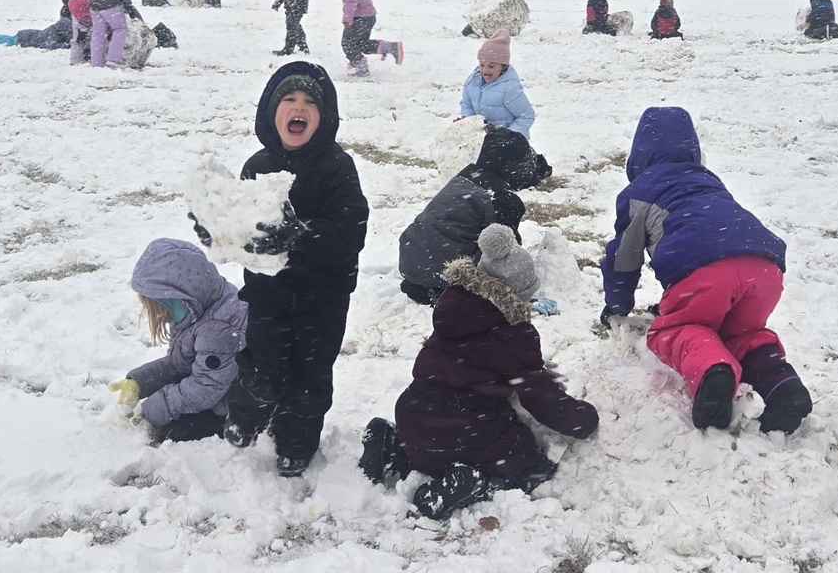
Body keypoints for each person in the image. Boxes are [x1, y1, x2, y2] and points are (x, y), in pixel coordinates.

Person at [360, 225, 599, 521]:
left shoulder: (454, 307)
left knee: (428, 449)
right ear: (517, 295)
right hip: (464, 430)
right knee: (534, 466)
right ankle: (473, 483)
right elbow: (541, 400)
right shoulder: (515, 334)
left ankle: (390, 444)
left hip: (413, 420)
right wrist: (584, 420)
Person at [600, 106, 813, 434]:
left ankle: (713, 371)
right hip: (764, 267)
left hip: (704, 271)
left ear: (639, 154)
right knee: (741, 333)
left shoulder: (639, 192)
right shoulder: (706, 180)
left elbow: (623, 261)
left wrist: (617, 305)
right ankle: (780, 382)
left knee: (676, 329)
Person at [213, 62, 370, 477]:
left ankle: (296, 442)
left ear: (323, 117)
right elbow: (239, 225)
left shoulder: (336, 167)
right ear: (272, 112)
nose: (298, 108)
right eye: (289, 99)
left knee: (310, 373)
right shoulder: (258, 166)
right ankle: (245, 417)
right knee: (258, 363)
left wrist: (299, 235)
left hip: (324, 296)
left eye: (309, 103)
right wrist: (220, 228)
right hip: (268, 292)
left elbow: (350, 229)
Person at [108, 238, 248, 444]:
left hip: (237, 403)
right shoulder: (196, 308)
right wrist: (140, 381)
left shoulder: (219, 328)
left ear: (177, 299)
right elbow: (179, 363)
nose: (156, 317)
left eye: (157, 309)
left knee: (174, 432)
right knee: (172, 408)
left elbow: (204, 389)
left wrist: (154, 410)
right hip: (217, 384)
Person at [398, 126, 546, 305]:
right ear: (516, 168)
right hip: (448, 273)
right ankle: (446, 290)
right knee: (505, 253)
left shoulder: (465, 179)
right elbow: (506, 251)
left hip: (412, 263)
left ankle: (430, 287)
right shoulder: (502, 199)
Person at [459, 29, 535, 139]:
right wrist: (468, 122)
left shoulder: (509, 88)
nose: (485, 70)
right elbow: (467, 104)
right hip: (482, 140)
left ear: (503, 66)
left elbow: (526, 116)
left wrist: (508, 136)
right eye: (482, 64)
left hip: (508, 145)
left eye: (491, 66)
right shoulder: (472, 82)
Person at [67, 0, 92, 65]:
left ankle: (76, 60)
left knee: (78, 38)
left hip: (77, 7)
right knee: (80, 38)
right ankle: (76, 61)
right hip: (82, 11)